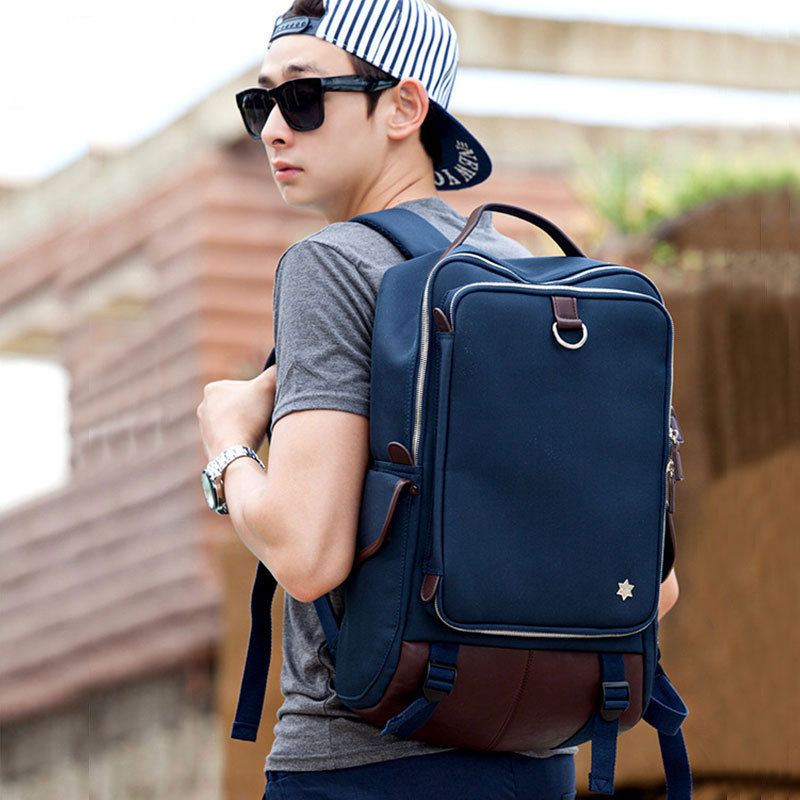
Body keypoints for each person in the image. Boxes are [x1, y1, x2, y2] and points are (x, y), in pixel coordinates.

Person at [196, 1, 681, 797]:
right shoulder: (535, 282)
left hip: (362, 766)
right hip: (541, 767)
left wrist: (226, 448)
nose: (274, 130)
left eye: (304, 97)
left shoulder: (329, 265)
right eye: (261, 103)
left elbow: (308, 557)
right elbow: (653, 589)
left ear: (404, 107)